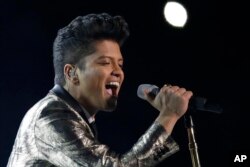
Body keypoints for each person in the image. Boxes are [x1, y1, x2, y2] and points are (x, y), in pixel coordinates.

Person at [7, 13, 193, 167]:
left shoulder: (74, 115)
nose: (118, 72)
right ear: (72, 74)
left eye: (120, 64)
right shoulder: (50, 117)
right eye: (105, 62)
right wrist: (169, 115)